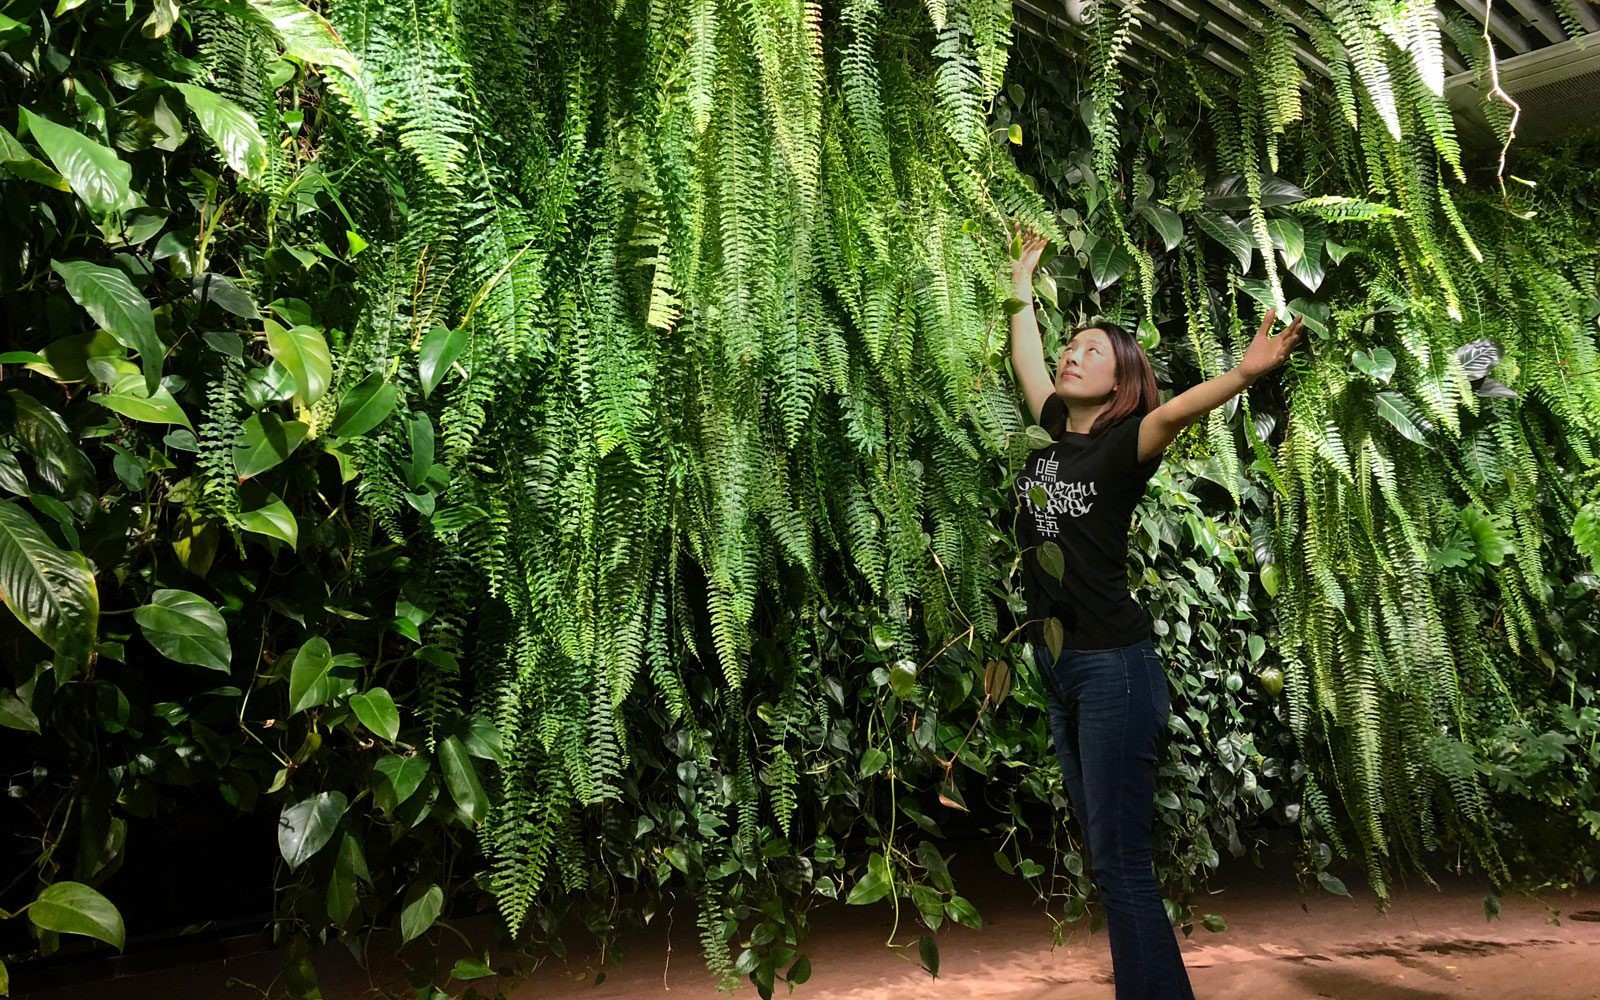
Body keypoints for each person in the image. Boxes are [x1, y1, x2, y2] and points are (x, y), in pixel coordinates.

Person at [1006, 226, 1302, 1000]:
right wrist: (1020, 282)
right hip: (1063, 669)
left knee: (1123, 864)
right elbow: (1026, 357)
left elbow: (1177, 415)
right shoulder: (1050, 440)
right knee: (1108, 861)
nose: (1072, 356)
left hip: (1116, 670)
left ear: (1119, 386)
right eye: (1073, 346)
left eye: (1092, 353)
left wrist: (1242, 373)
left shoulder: (1124, 443)